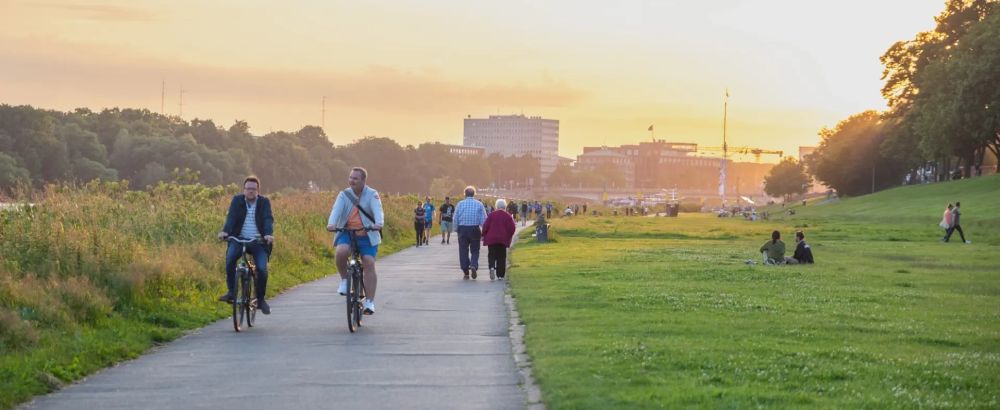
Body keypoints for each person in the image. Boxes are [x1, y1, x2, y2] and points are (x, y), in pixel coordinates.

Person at [327, 167, 384, 315]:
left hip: (367, 233)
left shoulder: (372, 194)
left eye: (355, 178)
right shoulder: (344, 194)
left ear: (363, 181)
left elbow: (378, 210)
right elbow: (336, 210)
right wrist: (331, 224)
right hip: (348, 232)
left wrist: (378, 223)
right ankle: (345, 280)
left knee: (369, 262)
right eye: (350, 177)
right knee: (341, 251)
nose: (351, 180)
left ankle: (370, 302)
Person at [218, 176, 275, 314]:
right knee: (230, 259)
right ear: (244, 190)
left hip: (258, 242)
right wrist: (225, 231)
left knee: (261, 268)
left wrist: (267, 234)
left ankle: (260, 300)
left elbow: (268, 219)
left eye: (253, 189)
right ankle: (232, 291)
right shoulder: (237, 201)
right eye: (248, 189)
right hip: (238, 239)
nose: (250, 191)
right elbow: (231, 217)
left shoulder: (264, 202)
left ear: (258, 190)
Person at [454, 186, 487, 279]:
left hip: (463, 229)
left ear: (465, 194)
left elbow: (455, 218)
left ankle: (465, 271)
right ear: (474, 194)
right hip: (474, 229)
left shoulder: (460, 204)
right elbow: (484, 220)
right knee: (475, 250)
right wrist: (484, 232)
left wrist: (456, 229)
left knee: (463, 250)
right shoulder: (479, 204)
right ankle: (473, 264)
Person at [482, 198, 517, 280]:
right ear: (505, 206)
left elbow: (485, 226)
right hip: (502, 239)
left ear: (496, 206)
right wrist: (509, 236)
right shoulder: (508, 216)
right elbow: (512, 228)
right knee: (501, 256)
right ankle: (500, 275)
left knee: (492, 254)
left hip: (492, 239)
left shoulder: (491, 215)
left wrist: (483, 234)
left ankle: (491, 267)